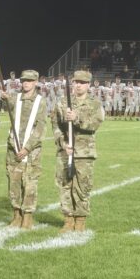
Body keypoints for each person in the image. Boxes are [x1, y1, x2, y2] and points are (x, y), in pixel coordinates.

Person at [54, 70, 105, 233]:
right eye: (76, 82)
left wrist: (76, 118)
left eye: (82, 83)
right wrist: (63, 143)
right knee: (65, 185)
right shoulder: (63, 102)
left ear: (88, 85)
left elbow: (94, 125)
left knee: (82, 186)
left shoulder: (95, 104)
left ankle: (80, 219)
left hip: (84, 152)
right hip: (65, 151)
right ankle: (68, 219)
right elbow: (55, 126)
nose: (78, 85)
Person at [2, 69, 46, 229]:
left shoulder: (40, 101)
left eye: (29, 80)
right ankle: (16, 214)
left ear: (35, 82)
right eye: (24, 80)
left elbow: (40, 127)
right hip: (13, 147)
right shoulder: (16, 97)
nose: (26, 83)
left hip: (31, 150)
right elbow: (7, 103)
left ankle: (27, 215)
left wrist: (27, 148)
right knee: (13, 181)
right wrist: (4, 98)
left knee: (29, 182)